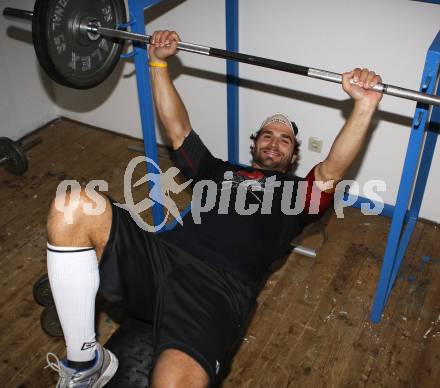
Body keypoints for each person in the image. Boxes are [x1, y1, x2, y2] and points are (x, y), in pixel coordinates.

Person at [44, 30, 383, 388]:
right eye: (267, 134)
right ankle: (85, 363)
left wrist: (364, 106)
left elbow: (332, 169)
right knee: (72, 205)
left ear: (294, 155)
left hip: (217, 290)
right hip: (161, 256)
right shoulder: (218, 170)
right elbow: (178, 132)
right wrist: (158, 61)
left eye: (285, 140)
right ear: (254, 144)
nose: (274, 142)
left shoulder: (299, 195)